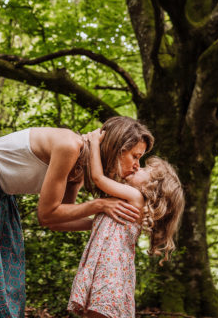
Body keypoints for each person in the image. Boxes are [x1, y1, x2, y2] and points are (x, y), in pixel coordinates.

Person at [0, 117, 154, 318]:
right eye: (135, 156)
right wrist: (100, 205)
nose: (136, 165)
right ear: (116, 147)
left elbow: (57, 221)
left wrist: (105, 223)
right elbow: (47, 214)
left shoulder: (79, 168)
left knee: (3, 276)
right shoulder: (70, 145)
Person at [68, 129, 184, 318]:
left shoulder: (135, 197)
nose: (138, 167)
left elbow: (98, 179)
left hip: (110, 272)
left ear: (152, 187)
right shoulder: (126, 201)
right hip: (112, 272)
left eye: (146, 170)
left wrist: (95, 143)